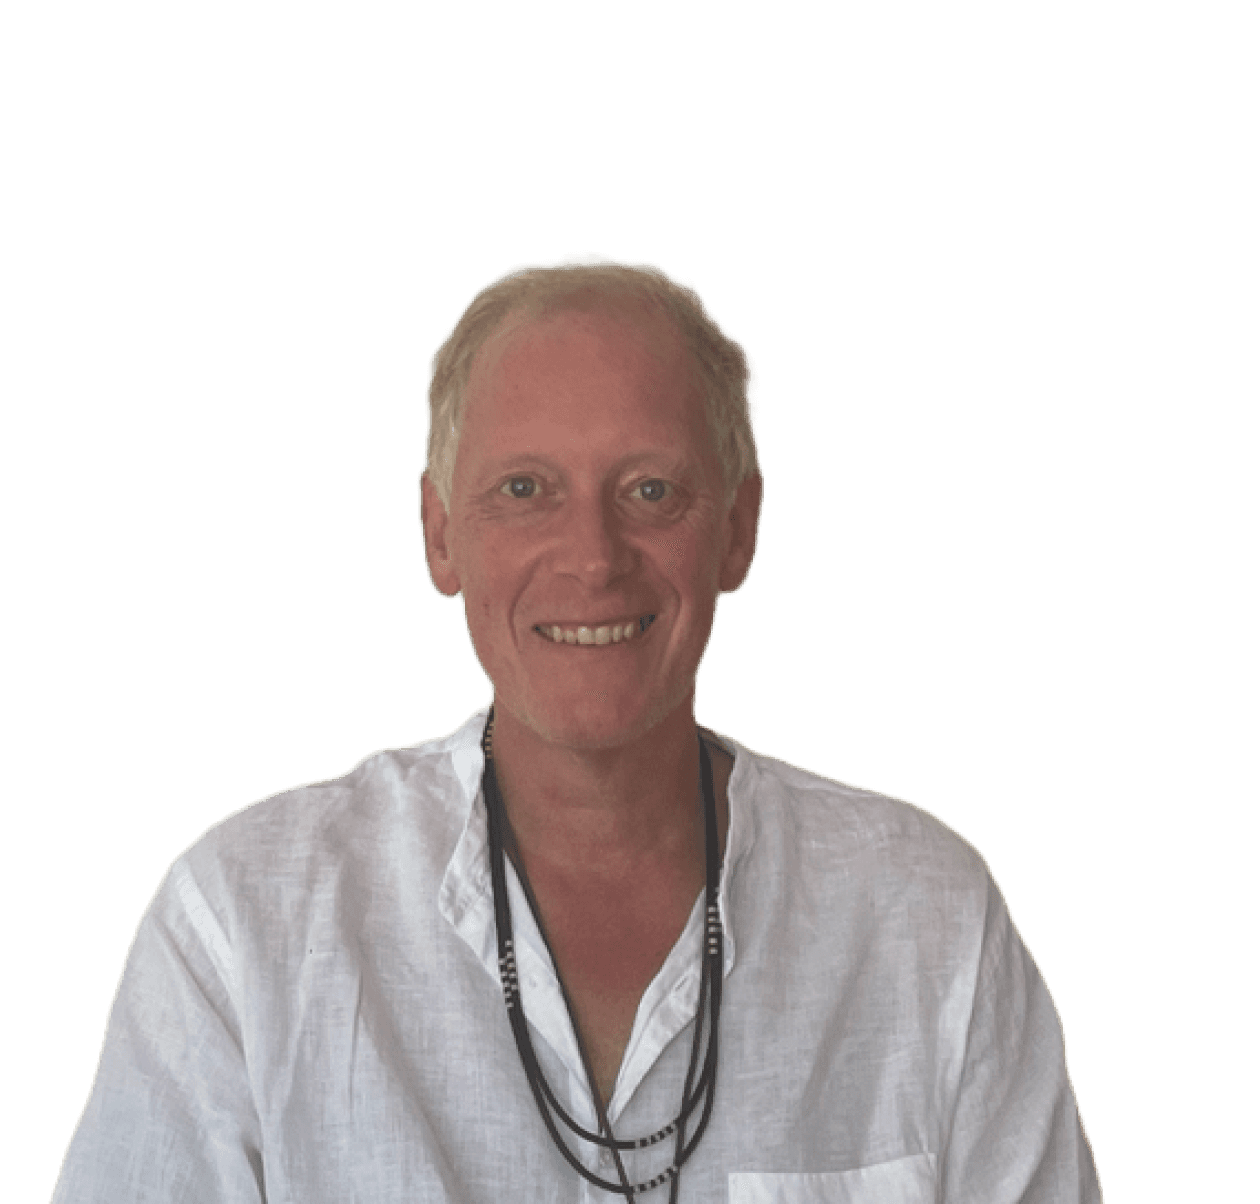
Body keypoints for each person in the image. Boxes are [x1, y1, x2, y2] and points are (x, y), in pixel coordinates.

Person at [51, 252, 1102, 1202]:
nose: (595, 557)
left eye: (651, 490)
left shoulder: (928, 920)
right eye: (525, 489)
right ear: (439, 534)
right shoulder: (244, 926)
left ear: (739, 529)